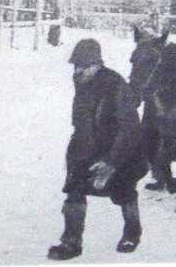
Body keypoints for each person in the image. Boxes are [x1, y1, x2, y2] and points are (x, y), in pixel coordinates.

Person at [48, 39, 147, 260]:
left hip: (123, 149)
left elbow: (129, 128)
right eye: (76, 66)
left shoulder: (116, 85)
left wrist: (111, 163)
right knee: (74, 191)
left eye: (83, 66)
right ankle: (71, 242)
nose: (78, 71)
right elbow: (82, 122)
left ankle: (132, 232)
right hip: (89, 149)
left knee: (124, 191)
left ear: (97, 64)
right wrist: (75, 154)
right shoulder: (82, 83)